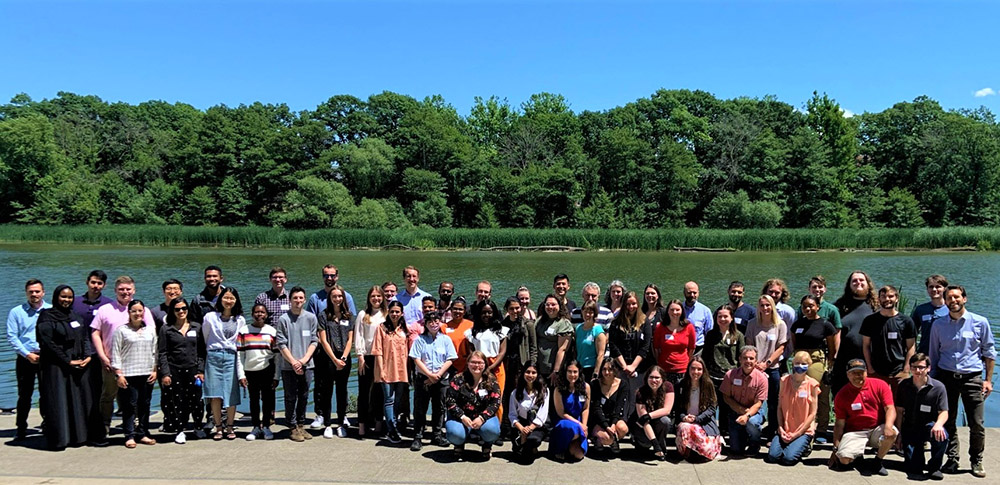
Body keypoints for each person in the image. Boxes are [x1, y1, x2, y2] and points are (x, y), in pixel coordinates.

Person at [928, 285, 995, 478]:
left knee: (977, 423)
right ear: (945, 301)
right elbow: (933, 354)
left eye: (957, 297)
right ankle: (952, 458)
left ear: (964, 299)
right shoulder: (938, 325)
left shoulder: (980, 322)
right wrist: (933, 381)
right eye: (949, 298)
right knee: (948, 420)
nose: (953, 301)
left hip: (972, 378)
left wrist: (988, 380)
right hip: (946, 377)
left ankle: (976, 460)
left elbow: (989, 354)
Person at [36, 284, 102, 450]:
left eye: (69, 297)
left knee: (80, 400)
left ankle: (80, 437)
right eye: (63, 297)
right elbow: (47, 342)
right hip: (57, 366)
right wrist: (67, 360)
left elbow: (85, 337)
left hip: (79, 364)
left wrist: (88, 356)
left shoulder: (76, 316)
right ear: (56, 297)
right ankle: (60, 439)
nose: (66, 300)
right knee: (60, 401)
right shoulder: (47, 317)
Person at [90, 275, 154, 435]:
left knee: (137, 398)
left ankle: (137, 428)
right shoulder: (105, 309)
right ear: (115, 291)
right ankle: (104, 426)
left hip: (138, 364)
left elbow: (152, 335)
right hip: (111, 362)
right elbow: (95, 333)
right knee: (108, 395)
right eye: (121, 290)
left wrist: (153, 365)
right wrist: (102, 356)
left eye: (128, 289)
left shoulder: (142, 310)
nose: (125, 292)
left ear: (134, 290)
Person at [829, 358, 897, 476]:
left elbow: (890, 408)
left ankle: (877, 462)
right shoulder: (841, 395)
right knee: (844, 460)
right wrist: (835, 449)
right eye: (854, 373)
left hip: (877, 428)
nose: (858, 376)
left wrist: (888, 426)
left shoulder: (880, 385)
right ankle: (857, 457)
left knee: (893, 432)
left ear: (866, 372)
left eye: (861, 372)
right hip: (855, 432)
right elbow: (839, 424)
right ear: (848, 374)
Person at [789, 294, 838, 442]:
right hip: (800, 360)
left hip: (817, 361)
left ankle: (822, 429)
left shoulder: (825, 324)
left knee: (818, 393)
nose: (808, 309)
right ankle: (800, 426)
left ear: (817, 307)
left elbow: (832, 346)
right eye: (804, 306)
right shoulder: (797, 325)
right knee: (797, 394)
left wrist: (829, 363)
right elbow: (794, 344)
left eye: (811, 306)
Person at [157, 297, 206, 444]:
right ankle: (180, 430)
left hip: (193, 370)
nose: (181, 311)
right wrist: (165, 373)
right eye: (177, 309)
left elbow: (201, 351)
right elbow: (163, 353)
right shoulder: (166, 329)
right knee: (177, 401)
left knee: (197, 400)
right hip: (175, 370)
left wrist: (201, 370)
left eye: (184, 308)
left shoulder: (196, 327)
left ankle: (198, 426)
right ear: (172, 311)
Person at [7, 278, 50, 440]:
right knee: (25, 394)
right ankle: (21, 426)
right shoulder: (16, 312)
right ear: (26, 293)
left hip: (46, 358)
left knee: (46, 393)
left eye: (37, 291)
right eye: (31, 292)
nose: (34, 294)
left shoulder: (50, 310)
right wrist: (27, 354)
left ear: (43, 292)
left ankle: (47, 423)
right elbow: (12, 337)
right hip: (25, 358)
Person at [202, 286, 247, 441]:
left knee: (231, 393)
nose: (228, 301)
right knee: (215, 395)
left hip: (231, 357)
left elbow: (240, 343)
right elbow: (205, 337)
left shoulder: (240, 320)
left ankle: (229, 425)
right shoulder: (210, 317)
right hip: (214, 356)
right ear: (221, 299)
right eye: (226, 297)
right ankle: (218, 426)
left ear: (236, 301)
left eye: (232, 298)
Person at [111, 299, 158, 448]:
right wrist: (119, 374)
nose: (137, 314)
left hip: (147, 372)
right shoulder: (121, 330)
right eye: (134, 311)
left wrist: (155, 370)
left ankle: (143, 433)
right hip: (128, 373)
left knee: (145, 404)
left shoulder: (150, 330)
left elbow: (155, 351)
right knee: (129, 405)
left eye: (140, 311)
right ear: (129, 313)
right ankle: (129, 435)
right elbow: (116, 353)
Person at [895, 353, 949, 480]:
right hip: (910, 428)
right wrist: (899, 433)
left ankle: (934, 467)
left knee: (942, 436)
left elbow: (944, 412)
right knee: (914, 468)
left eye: (921, 367)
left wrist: (938, 425)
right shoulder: (904, 385)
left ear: (928, 368)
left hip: (929, 427)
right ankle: (915, 459)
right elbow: (899, 411)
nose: (917, 371)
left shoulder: (938, 387)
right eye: (914, 367)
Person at [276, 286, 319, 442]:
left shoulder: (311, 318)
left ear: (305, 300)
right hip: (289, 365)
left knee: (304, 395)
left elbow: (314, 340)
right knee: (290, 396)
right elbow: (281, 343)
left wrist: (304, 360)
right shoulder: (284, 319)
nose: (298, 301)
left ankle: (301, 424)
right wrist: (294, 362)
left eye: (301, 298)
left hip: (307, 364)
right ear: (290, 300)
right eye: (295, 298)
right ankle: (292, 426)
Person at [408, 310, 456, 451]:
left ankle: (437, 434)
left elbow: (450, 359)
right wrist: (430, 375)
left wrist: (438, 375)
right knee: (420, 408)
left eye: (436, 321)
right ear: (426, 324)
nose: (434, 324)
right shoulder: (420, 340)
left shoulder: (445, 339)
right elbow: (416, 359)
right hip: (423, 379)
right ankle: (417, 437)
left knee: (439, 407)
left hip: (441, 379)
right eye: (430, 322)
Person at [444, 351, 502, 460]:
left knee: (492, 430)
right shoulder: (458, 379)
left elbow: (495, 402)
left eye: (480, 363)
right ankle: (459, 445)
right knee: (455, 433)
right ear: (468, 363)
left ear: (485, 364)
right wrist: (462, 416)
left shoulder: (491, 380)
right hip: (461, 418)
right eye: (473, 362)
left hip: (483, 418)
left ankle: (487, 445)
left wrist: (482, 418)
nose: (477, 366)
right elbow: (450, 401)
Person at [766, 351, 820, 466]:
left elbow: (813, 413)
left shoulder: (813, 385)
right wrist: (780, 428)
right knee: (772, 457)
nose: (800, 366)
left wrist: (797, 434)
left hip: (803, 430)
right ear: (793, 364)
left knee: (788, 459)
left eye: (804, 363)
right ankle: (790, 444)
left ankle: (803, 445)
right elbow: (779, 407)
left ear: (809, 365)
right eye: (797, 363)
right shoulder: (784, 381)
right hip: (785, 428)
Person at [861, 285, 916, 395]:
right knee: (877, 405)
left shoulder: (906, 321)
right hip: (877, 372)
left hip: (899, 372)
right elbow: (866, 346)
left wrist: (906, 370)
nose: (887, 299)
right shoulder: (870, 321)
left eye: (891, 296)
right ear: (879, 299)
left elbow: (911, 347)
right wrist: (870, 368)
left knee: (899, 406)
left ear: (897, 299)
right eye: (883, 296)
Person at [314, 286, 354, 439]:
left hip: (344, 358)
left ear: (343, 298)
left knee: (342, 390)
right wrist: (334, 359)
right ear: (330, 298)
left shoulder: (348, 316)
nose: (337, 299)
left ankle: (341, 423)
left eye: (340, 296)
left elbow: (351, 339)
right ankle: (328, 424)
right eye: (334, 296)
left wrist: (343, 358)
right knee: (327, 391)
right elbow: (323, 340)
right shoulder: (323, 315)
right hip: (328, 358)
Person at [745, 294, 787, 437]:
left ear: (772, 306)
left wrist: (767, 363)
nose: (765, 308)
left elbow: (781, 347)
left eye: (768, 305)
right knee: (753, 400)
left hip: (773, 369)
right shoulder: (752, 324)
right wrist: (756, 364)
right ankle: (753, 429)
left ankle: (773, 429)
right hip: (755, 369)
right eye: (762, 305)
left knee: (774, 402)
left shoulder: (780, 325)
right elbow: (749, 344)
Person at [832, 270, 877, 397]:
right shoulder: (839, 306)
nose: (858, 283)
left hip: (869, 361)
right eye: (854, 281)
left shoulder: (876, 306)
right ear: (849, 285)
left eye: (861, 280)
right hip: (843, 361)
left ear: (868, 283)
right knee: (841, 396)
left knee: (868, 397)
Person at [371, 300, 409, 444]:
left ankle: (394, 425)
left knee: (397, 399)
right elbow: (378, 350)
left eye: (397, 312)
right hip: (386, 368)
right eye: (392, 311)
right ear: (388, 312)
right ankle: (391, 430)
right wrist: (381, 370)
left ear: (401, 313)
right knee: (389, 399)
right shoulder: (381, 328)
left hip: (401, 369)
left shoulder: (404, 329)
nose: (394, 314)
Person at [238, 303, 278, 441]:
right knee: (253, 400)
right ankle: (256, 426)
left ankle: (266, 426)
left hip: (267, 370)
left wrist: (276, 376)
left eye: (262, 312)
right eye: (256, 312)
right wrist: (241, 374)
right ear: (252, 314)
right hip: (250, 371)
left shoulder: (272, 331)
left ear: (266, 315)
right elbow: (240, 355)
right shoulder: (244, 331)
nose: (259, 314)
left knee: (267, 400)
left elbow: (277, 356)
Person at [467, 299, 508, 429]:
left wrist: (490, 367)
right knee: (479, 398)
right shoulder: (472, 332)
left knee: (497, 399)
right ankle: (479, 428)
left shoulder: (501, 330)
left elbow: (502, 352)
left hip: (496, 366)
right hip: (477, 367)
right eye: (484, 312)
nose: (487, 315)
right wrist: (478, 367)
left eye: (490, 312)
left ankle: (497, 428)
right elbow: (471, 351)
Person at [721, 346, 768, 456]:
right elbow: (726, 397)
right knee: (736, 450)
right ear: (740, 359)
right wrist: (741, 410)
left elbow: (758, 403)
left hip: (754, 413)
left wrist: (746, 415)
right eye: (745, 358)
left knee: (752, 423)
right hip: (735, 412)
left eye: (751, 358)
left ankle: (754, 444)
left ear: (756, 361)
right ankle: (743, 436)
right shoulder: (730, 375)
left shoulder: (762, 379)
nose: (748, 361)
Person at [500, 296, 537, 433]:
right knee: (506, 395)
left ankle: (521, 425)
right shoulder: (503, 325)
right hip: (507, 364)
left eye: (517, 308)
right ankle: (505, 425)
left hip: (522, 364)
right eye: (511, 308)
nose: (515, 311)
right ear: (507, 310)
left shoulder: (528, 325)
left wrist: (532, 365)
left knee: (521, 395)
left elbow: (533, 347)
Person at [704, 304, 743, 433]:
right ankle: (713, 431)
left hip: (731, 377)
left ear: (731, 318)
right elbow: (706, 356)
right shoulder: (711, 335)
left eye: (725, 316)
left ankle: (727, 432)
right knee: (712, 405)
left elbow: (741, 357)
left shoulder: (738, 336)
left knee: (728, 406)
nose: (722, 319)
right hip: (713, 376)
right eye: (719, 316)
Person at [354, 285, 387, 438]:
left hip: (382, 358)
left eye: (379, 296)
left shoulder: (386, 314)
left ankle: (379, 424)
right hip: (366, 356)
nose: (376, 299)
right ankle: (362, 426)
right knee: (364, 392)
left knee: (379, 392)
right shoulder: (363, 314)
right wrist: (360, 356)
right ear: (369, 298)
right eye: (373, 296)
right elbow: (359, 336)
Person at [675, 357, 722, 461]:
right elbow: (677, 407)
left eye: (699, 369)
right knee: (685, 428)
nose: (695, 372)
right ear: (688, 369)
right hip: (687, 422)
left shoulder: (708, 385)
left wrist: (697, 419)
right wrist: (684, 417)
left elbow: (712, 408)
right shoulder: (681, 384)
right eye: (693, 368)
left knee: (706, 448)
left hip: (704, 423)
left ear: (703, 370)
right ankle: (687, 453)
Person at [608, 291, 652, 393]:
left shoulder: (645, 322)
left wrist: (633, 367)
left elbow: (645, 346)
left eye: (633, 304)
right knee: (621, 397)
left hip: (639, 369)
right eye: (627, 304)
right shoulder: (616, 323)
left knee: (637, 397)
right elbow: (613, 346)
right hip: (620, 368)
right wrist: (625, 367)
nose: (631, 307)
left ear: (638, 304)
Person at [508, 361, 549, 461]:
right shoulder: (515, 392)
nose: (530, 375)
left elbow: (542, 414)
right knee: (519, 453)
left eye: (533, 372)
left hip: (535, 426)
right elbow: (512, 414)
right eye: (527, 372)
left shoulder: (544, 391)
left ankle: (532, 446)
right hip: (521, 424)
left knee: (532, 441)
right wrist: (522, 429)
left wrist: (530, 428)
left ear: (538, 374)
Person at [631, 365, 674, 461]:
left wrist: (649, 415)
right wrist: (655, 444)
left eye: (657, 377)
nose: (654, 380)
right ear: (647, 378)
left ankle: (662, 446)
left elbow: (667, 410)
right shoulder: (640, 392)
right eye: (651, 377)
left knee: (665, 421)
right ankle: (646, 443)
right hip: (643, 427)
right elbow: (643, 421)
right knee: (645, 445)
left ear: (662, 379)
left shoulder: (668, 387)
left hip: (657, 422)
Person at [550, 360, 590, 461]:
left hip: (579, 422)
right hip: (564, 422)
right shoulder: (558, 389)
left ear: (579, 372)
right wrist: (579, 425)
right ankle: (560, 448)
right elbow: (561, 413)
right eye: (569, 371)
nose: (572, 375)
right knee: (574, 429)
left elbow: (585, 408)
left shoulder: (586, 387)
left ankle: (570, 445)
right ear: (565, 372)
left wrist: (584, 425)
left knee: (579, 455)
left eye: (575, 372)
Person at [589, 359, 630, 454]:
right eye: (604, 369)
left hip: (614, 418)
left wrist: (613, 424)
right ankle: (598, 439)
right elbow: (596, 408)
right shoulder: (595, 384)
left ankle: (613, 440)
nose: (607, 372)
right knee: (606, 438)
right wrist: (606, 427)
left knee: (623, 428)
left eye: (610, 369)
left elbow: (619, 406)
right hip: (598, 420)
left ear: (615, 370)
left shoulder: (623, 384)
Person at [652, 299, 695, 388]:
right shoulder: (660, 327)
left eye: (677, 310)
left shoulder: (689, 327)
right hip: (664, 369)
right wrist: (659, 362)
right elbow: (655, 347)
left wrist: (686, 363)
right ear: (667, 311)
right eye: (672, 310)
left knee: (681, 397)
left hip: (682, 369)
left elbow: (691, 348)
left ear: (682, 311)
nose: (674, 312)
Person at [534, 294, 573, 386]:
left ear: (560, 306)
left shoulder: (564, 323)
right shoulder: (540, 321)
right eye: (547, 304)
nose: (550, 307)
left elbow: (562, 349)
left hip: (553, 371)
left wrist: (556, 371)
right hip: (538, 368)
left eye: (553, 304)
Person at [913, 274, 949, 355]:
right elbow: (912, 333)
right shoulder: (920, 309)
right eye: (931, 287)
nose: (934, 289)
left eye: (938, 287)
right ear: (927, 289)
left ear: (944, 288)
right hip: (925, 353)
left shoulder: (951, 309)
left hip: (946, 355)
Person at [574, 300, 607, 381]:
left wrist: (596, 373)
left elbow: (601, 354)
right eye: (585, 311)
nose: (587, 314)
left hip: (591, 368)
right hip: (579, 367)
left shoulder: (598, 331)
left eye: (590, 312)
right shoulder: (578, 328)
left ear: (594, 314)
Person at [442, 297, 473, 373]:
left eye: (460, 309)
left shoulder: (471, 325)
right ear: (451, 310)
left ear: (465, 311)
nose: (457, 311)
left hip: (467, 364)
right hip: (450, 365)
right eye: (455, 309)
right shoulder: (444, 327)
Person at [683, 281, 714, 355]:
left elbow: (709, 332)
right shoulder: (678, 310)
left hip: (699, 349)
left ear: (698, 293)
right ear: (684, 293)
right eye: (689, 293)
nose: (692, 295)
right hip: (681, 348)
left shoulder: (705, 311)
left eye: (695, 293)